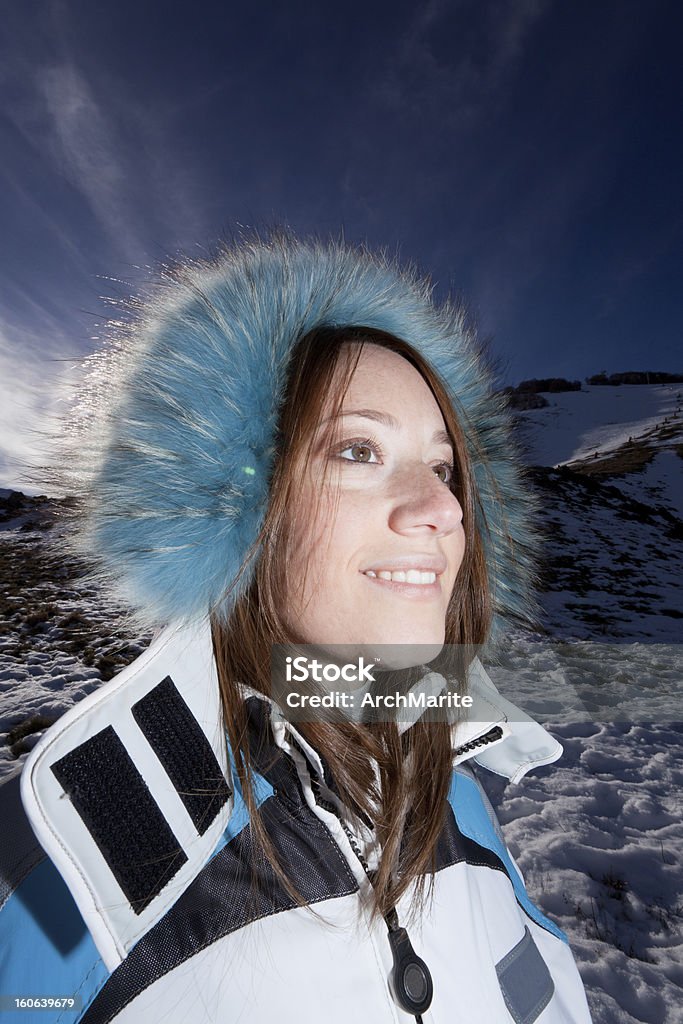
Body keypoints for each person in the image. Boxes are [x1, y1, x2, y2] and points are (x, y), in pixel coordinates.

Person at [0, 234, 593, 1022]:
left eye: (445, 468)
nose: (443, 509)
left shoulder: (458, 796)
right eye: (358, 449)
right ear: (230, 510)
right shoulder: (62, 879)